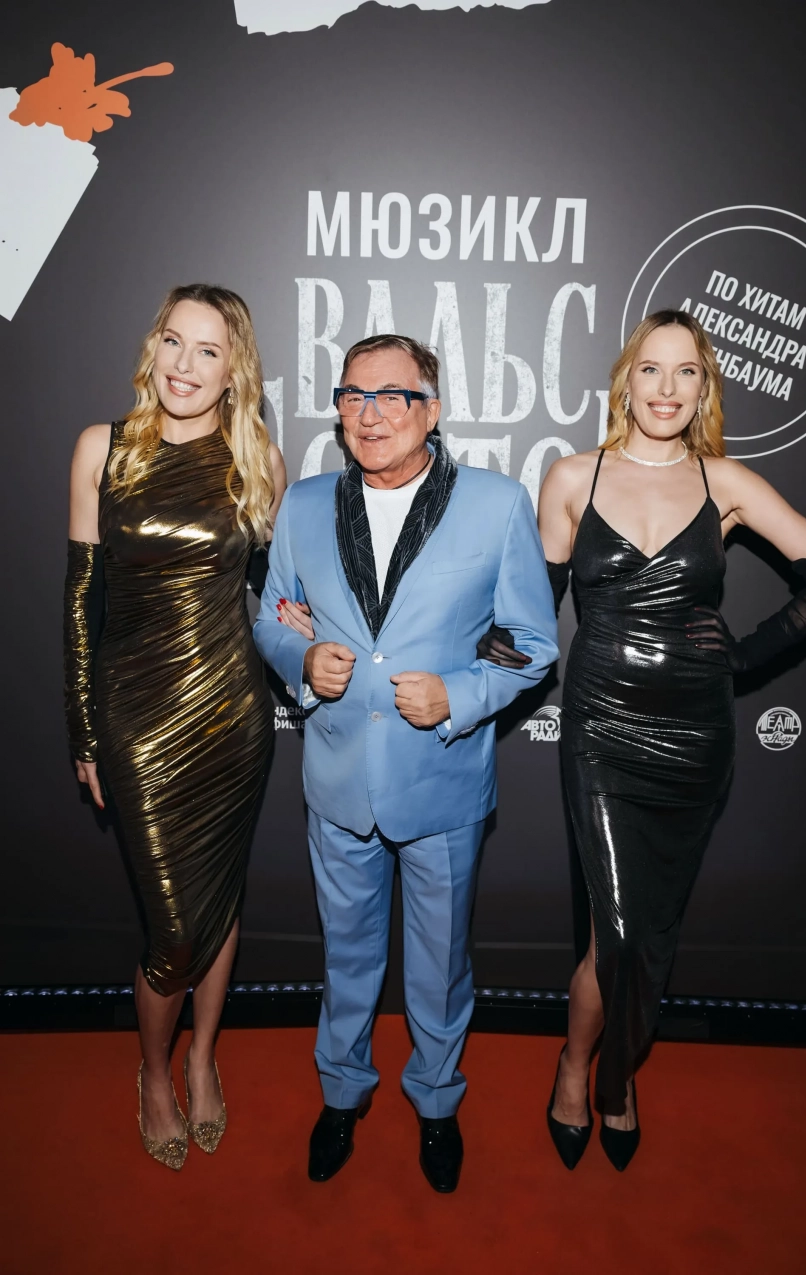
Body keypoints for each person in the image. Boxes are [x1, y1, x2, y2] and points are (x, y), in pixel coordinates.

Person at [490, 309, 806, 1171]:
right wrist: (449, 657)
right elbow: (530, 617)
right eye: (652, 369)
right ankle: (582, 1066)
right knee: (616, 930)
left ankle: (616, 1074)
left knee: (649, 933)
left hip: (694, 734)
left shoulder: (726, 482)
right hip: (600, 729)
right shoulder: (572, 475)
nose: (667, 388)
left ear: (704, 388)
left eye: (687, 372)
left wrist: (744, 655)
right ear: (627, 381)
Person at [254, 334, 558, 1192]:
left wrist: (458, 695)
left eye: (394, 395)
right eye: (354, 395)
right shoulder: (303, 505)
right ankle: (342, 1093)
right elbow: (273, 616)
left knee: (440, 962)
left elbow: (531, 642)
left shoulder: (497, 504)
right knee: (346, 957)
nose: (371, 413)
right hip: (339, 778)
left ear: (433, 410)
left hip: (443, 781)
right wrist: (301, 661)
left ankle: (435, 1101)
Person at [64, 284, 286, 1170]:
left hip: (231, 715)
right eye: (173, 341)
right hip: (135, 716)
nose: (184, 365)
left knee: (218, 894)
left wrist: (306, 622)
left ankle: (202, 1057)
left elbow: (279, 588)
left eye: (208, 350)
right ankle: (154, 1070)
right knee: (174, 929)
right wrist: (84, 732)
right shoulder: (103, 448)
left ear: (235, 371)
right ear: (152, 346)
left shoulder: (257, 459)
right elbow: (81, 601)